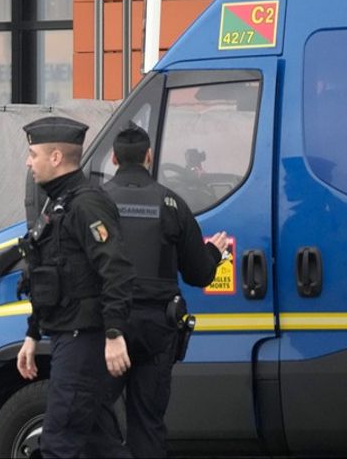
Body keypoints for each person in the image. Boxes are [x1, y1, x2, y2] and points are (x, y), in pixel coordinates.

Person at [101, 124, 230, 458]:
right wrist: (215, 252)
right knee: (148, 424)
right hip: (157, 329)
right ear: (149, 157)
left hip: (109, 330)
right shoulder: (171, 204)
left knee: (94, 418)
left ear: (114, 158)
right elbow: (200, 273)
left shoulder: (97, 203)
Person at [14, 115, 135, 458]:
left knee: (58, 443)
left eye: (33, 154)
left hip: (84, 340)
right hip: (69, 335)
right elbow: (46, 273)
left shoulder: (87, 204)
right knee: (100, 445)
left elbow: (116, 269)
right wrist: (33, 333)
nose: (28, 162)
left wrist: (113, 333)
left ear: (55, 157)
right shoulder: (58, 204)